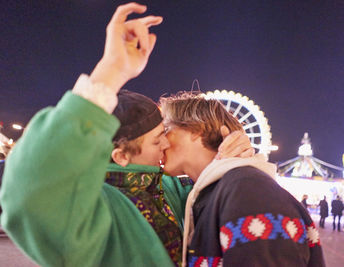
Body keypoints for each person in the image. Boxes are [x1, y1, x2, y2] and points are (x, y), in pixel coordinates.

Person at [0, 3, 252, 266]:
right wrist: (110, 71)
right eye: (156, 139)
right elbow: (30, 193)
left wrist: (233, 160)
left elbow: (213, 194)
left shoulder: (169, 189)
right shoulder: (91, 207)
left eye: (164, 132)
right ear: (120, 155)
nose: (166, 142)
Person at [160, 93, 325, 266]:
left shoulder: (249, 192)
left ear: (196, 129)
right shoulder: (214, 193)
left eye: (165, 130)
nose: (160, 142)